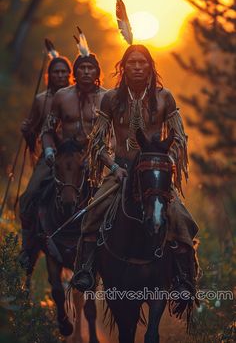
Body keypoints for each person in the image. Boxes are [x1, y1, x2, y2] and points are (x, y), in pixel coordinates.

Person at [72, 45, 199, 308]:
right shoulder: (111, 99)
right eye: (133, 63)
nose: (138, 67)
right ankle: (85, 270)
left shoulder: (165, 98)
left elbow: (179, 139)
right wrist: (113, 167)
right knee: (92, 214)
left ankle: (184, 281)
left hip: (154, 176)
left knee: (182, 221)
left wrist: (167, 163)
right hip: (121, 172)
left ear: (151, 66)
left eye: (143, 63)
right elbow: (97, 142)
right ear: (123, 67)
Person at [19, 54, 72, 268]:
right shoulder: (41, 99)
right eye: (56, 72)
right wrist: (27, 132)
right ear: (49, 75)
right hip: (48, 157)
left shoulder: (76, 96)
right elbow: (35, 132)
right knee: (28, 196)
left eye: (63, 72)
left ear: (70, 75)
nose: (60, 75)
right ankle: (27, 246)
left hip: (74, 159)